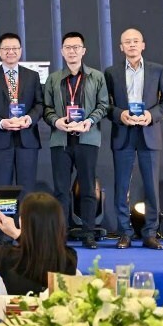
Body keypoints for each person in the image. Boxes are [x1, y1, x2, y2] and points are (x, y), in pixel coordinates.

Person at [105, 28, 163, 250]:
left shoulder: (158, 70)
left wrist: (151, 115)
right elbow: (105, 105)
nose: (132, 45)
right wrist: (120, 114)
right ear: (121, 47)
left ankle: (150, 233)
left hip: (149, 132)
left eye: (136, 41)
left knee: (151, 187)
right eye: (127, 42)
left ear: (143, 45)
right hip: (123, 134)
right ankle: (124, 233)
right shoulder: (111, 72)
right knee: (121, 186)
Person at [43, 31, 109, 250]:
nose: (72, 51)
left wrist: (89, 121)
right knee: (61, 191)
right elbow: (46, 108)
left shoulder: (96, 77)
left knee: (88, 188)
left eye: (76, 47)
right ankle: (60, 235)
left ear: (83, 50)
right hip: (60, 140)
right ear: (62, 51)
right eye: (68, 47)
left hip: (87, 138)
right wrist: (56, 121)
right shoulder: (53, 78)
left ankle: (88, 233)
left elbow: (104, 105)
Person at [0, 191, 78, 295]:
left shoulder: (7, 257)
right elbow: (39, 250)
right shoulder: (69, 257)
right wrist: (16, 235)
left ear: (22, 222)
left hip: (17, 316)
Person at [0, 33, 44, 194]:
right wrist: (1, 122)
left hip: (27, 140)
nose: (11, 52)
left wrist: (29, 119)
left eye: (15, 48)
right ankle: (5, 213)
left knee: (27, 190)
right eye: (6, 48)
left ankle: (25, 212)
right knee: (2, 191)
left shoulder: (32, 76)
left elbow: (40, 104)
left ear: (20, 51)